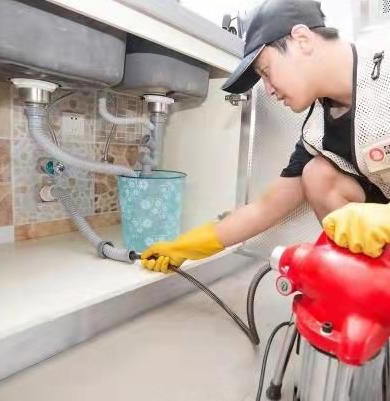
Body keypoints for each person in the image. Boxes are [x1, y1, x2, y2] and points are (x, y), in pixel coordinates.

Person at [141, 0, 390, 273]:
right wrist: (184, 247)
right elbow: (265, 209)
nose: (269, 90)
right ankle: (360, 282)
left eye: (267, 72)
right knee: (318, 175)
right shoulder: (317, 133)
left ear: (302, 39)